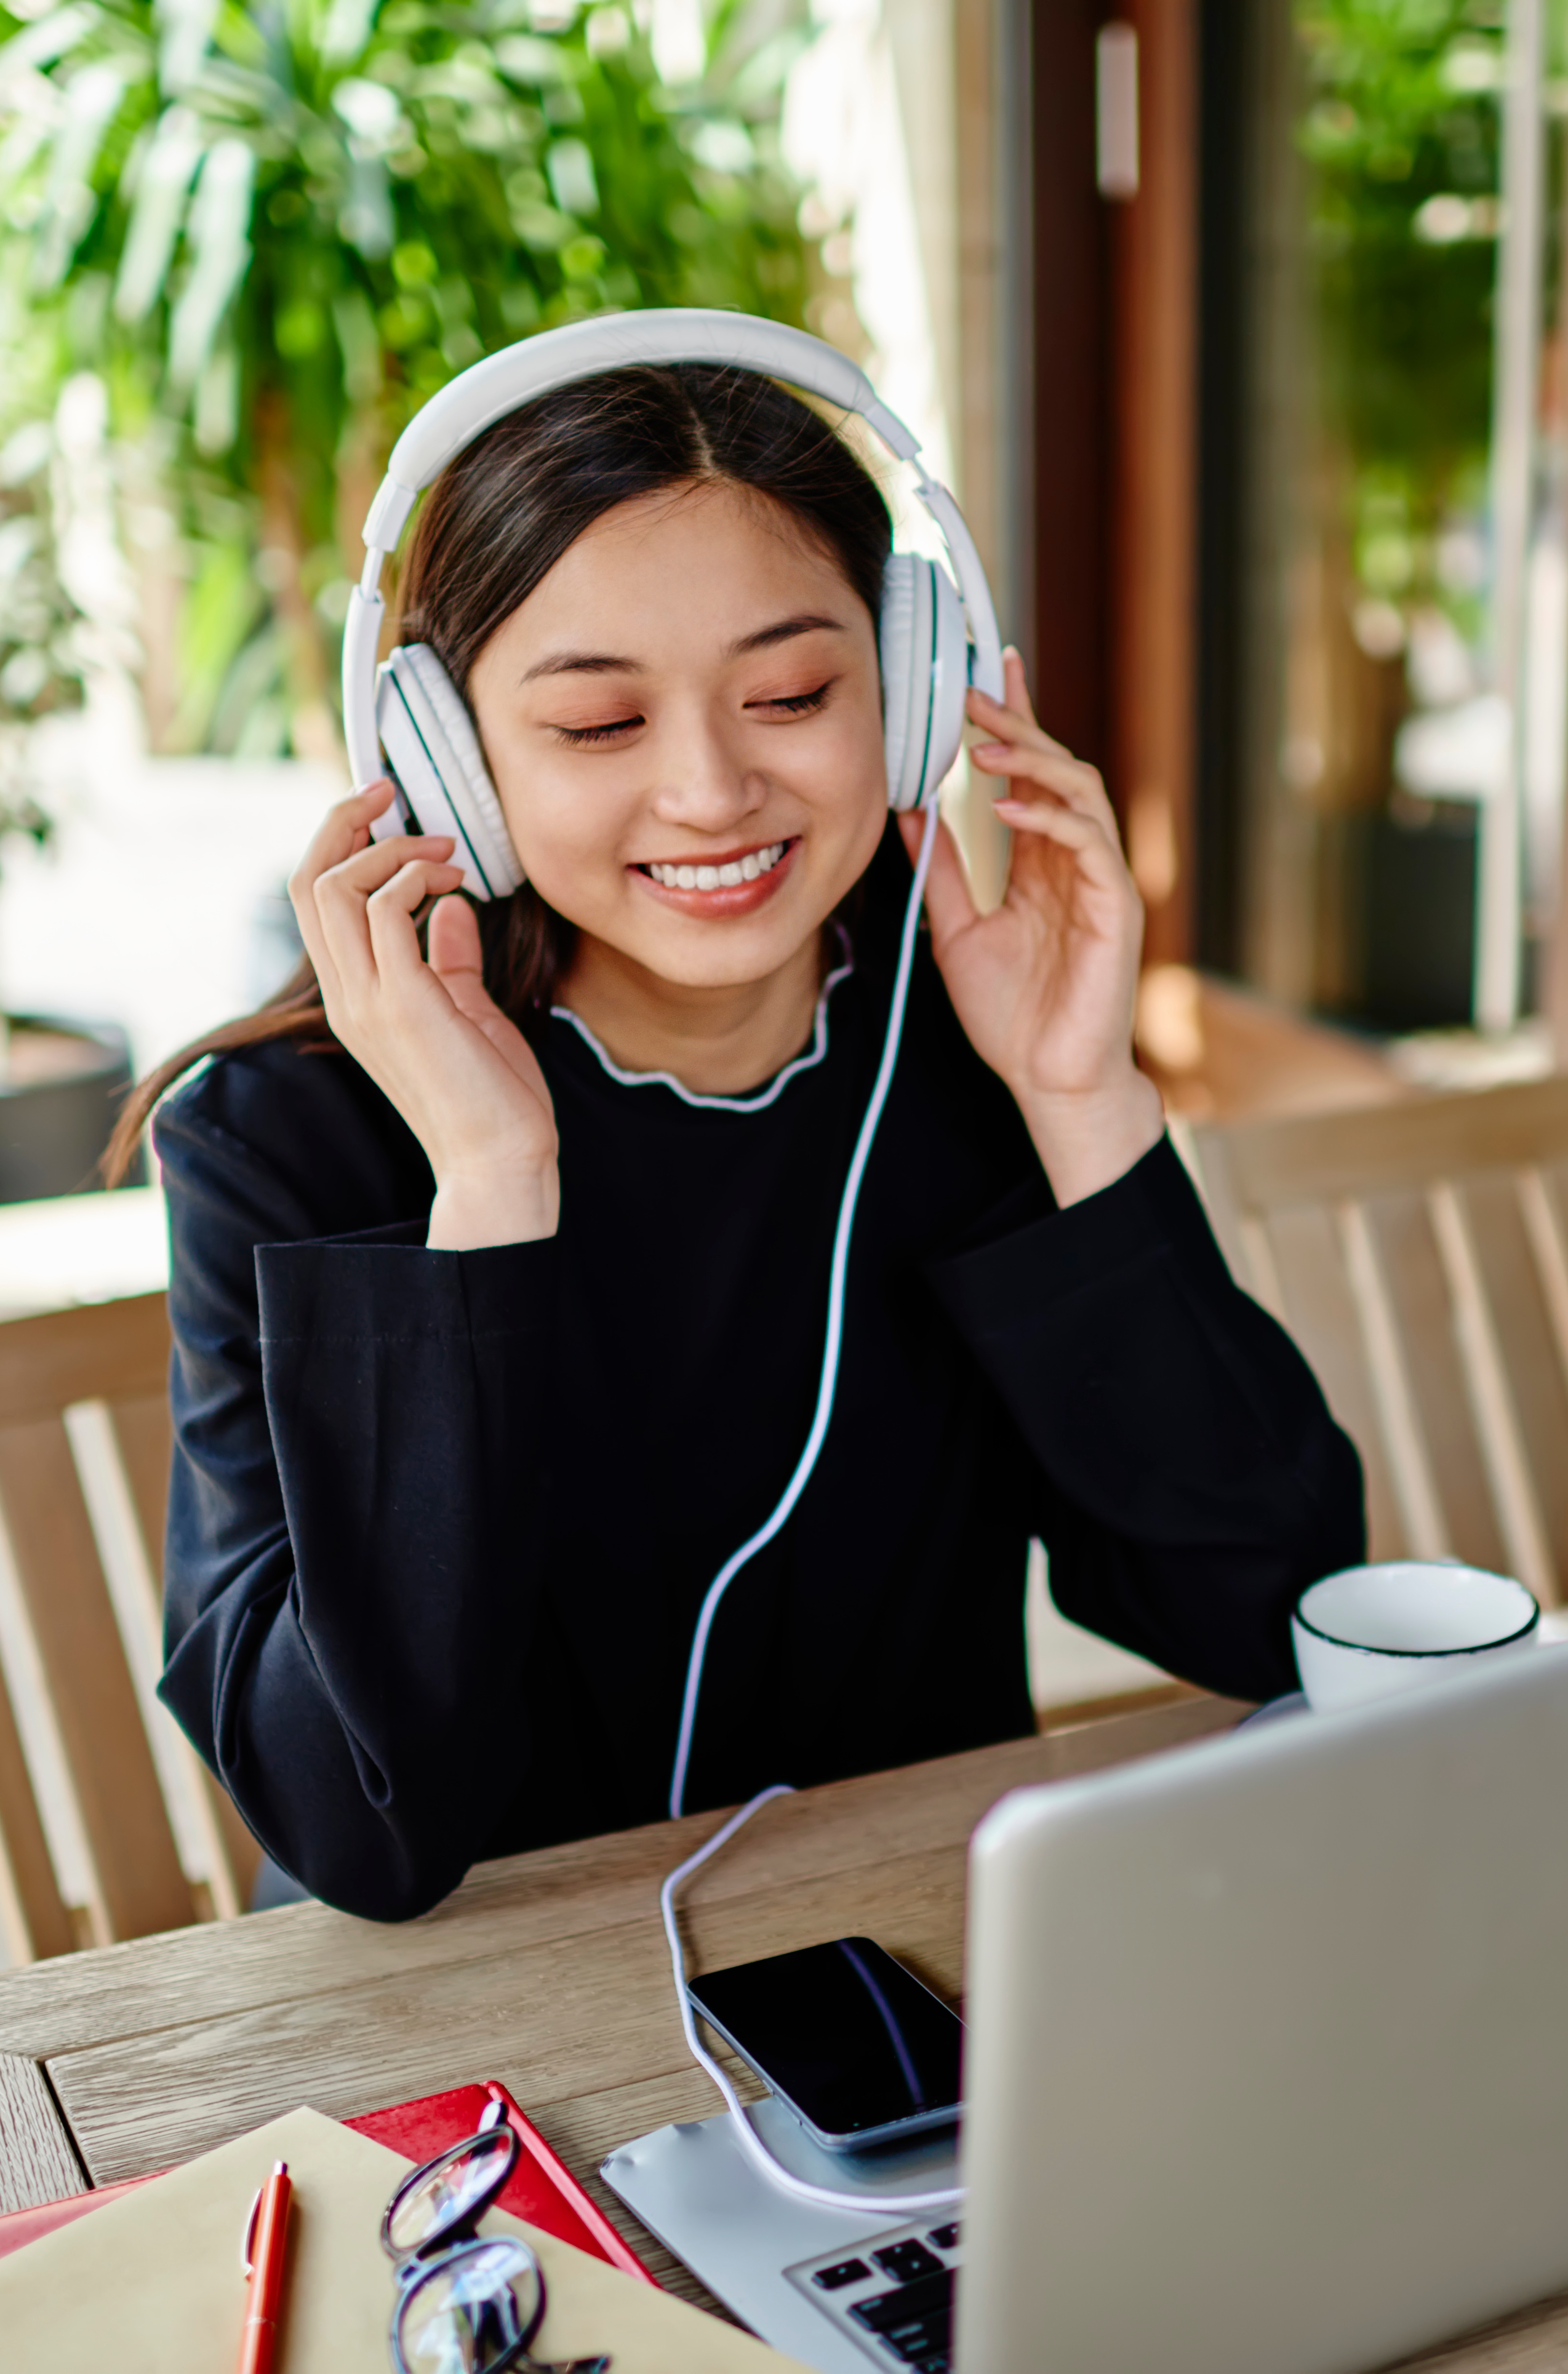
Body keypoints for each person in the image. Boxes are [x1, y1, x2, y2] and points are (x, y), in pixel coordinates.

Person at [124, 362, 1367, 1922]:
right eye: (597, 721)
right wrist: (491, 1191)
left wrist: (1082, 1105)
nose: (711, 791)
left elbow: (1282, 1615)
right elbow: (365, 1831)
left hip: (920, 1968)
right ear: (448, 761)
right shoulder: (284, 1142)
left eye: (792, 697)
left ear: (913, 692)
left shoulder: (966, 1059)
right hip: (475, 2028)